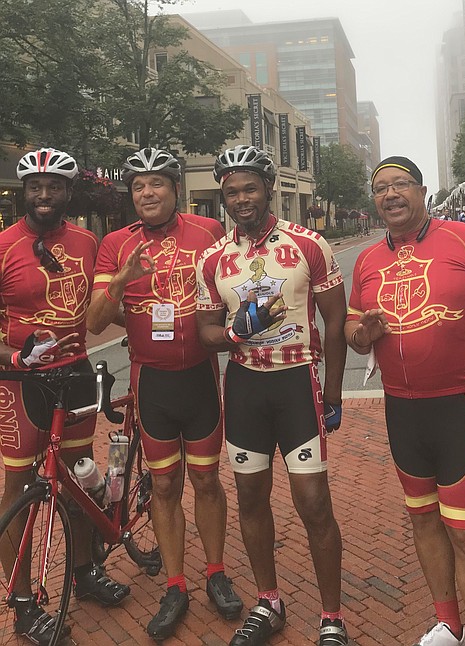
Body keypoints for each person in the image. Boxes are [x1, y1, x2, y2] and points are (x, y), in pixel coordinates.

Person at [345, 156, 465, 646]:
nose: (390, 194)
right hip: (401, 407)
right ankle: (450, 622)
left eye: (401, 184)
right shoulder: (366, 259)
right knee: (422, 516)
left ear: (422, 190)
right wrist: (361, 336)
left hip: (461, 403)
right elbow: (351, 330)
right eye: (380, 187)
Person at [86, 147, 242, 641]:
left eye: (156, 184)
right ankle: (176, 583)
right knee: (166, 487)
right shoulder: (115, 244)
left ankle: (215, 571)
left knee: (208, 482)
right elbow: (92, 321)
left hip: (200, 378)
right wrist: (123, 286)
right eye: (138, 186)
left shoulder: (208, 232)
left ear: (176, 190)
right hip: (151, 383)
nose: (147, 193)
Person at [196, 144, 348, 646]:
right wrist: (238, 332)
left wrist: (334, 391)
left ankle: (331, 617)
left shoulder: (309, 244)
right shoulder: (214, 257)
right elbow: (205, 331)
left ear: (269, 189)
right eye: (231, 191)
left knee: (313, 504)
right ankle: (269, 601)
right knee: (251, 497)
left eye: (250, 188)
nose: (241, 199)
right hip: (244, 386)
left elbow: (336, 320)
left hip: (297, 382)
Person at [0, 148, 130, 644]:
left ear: (68, 192)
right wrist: (15, 359)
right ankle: (24, 604)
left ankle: (83, 573)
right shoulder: (5, 245)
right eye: (36, 186)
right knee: (18, 492)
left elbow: (102, 305)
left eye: (54, 185)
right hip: (20, 381)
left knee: (76, 473)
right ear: (23, 192)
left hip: (73, 373)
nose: (45, 194)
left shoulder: (86, 242)